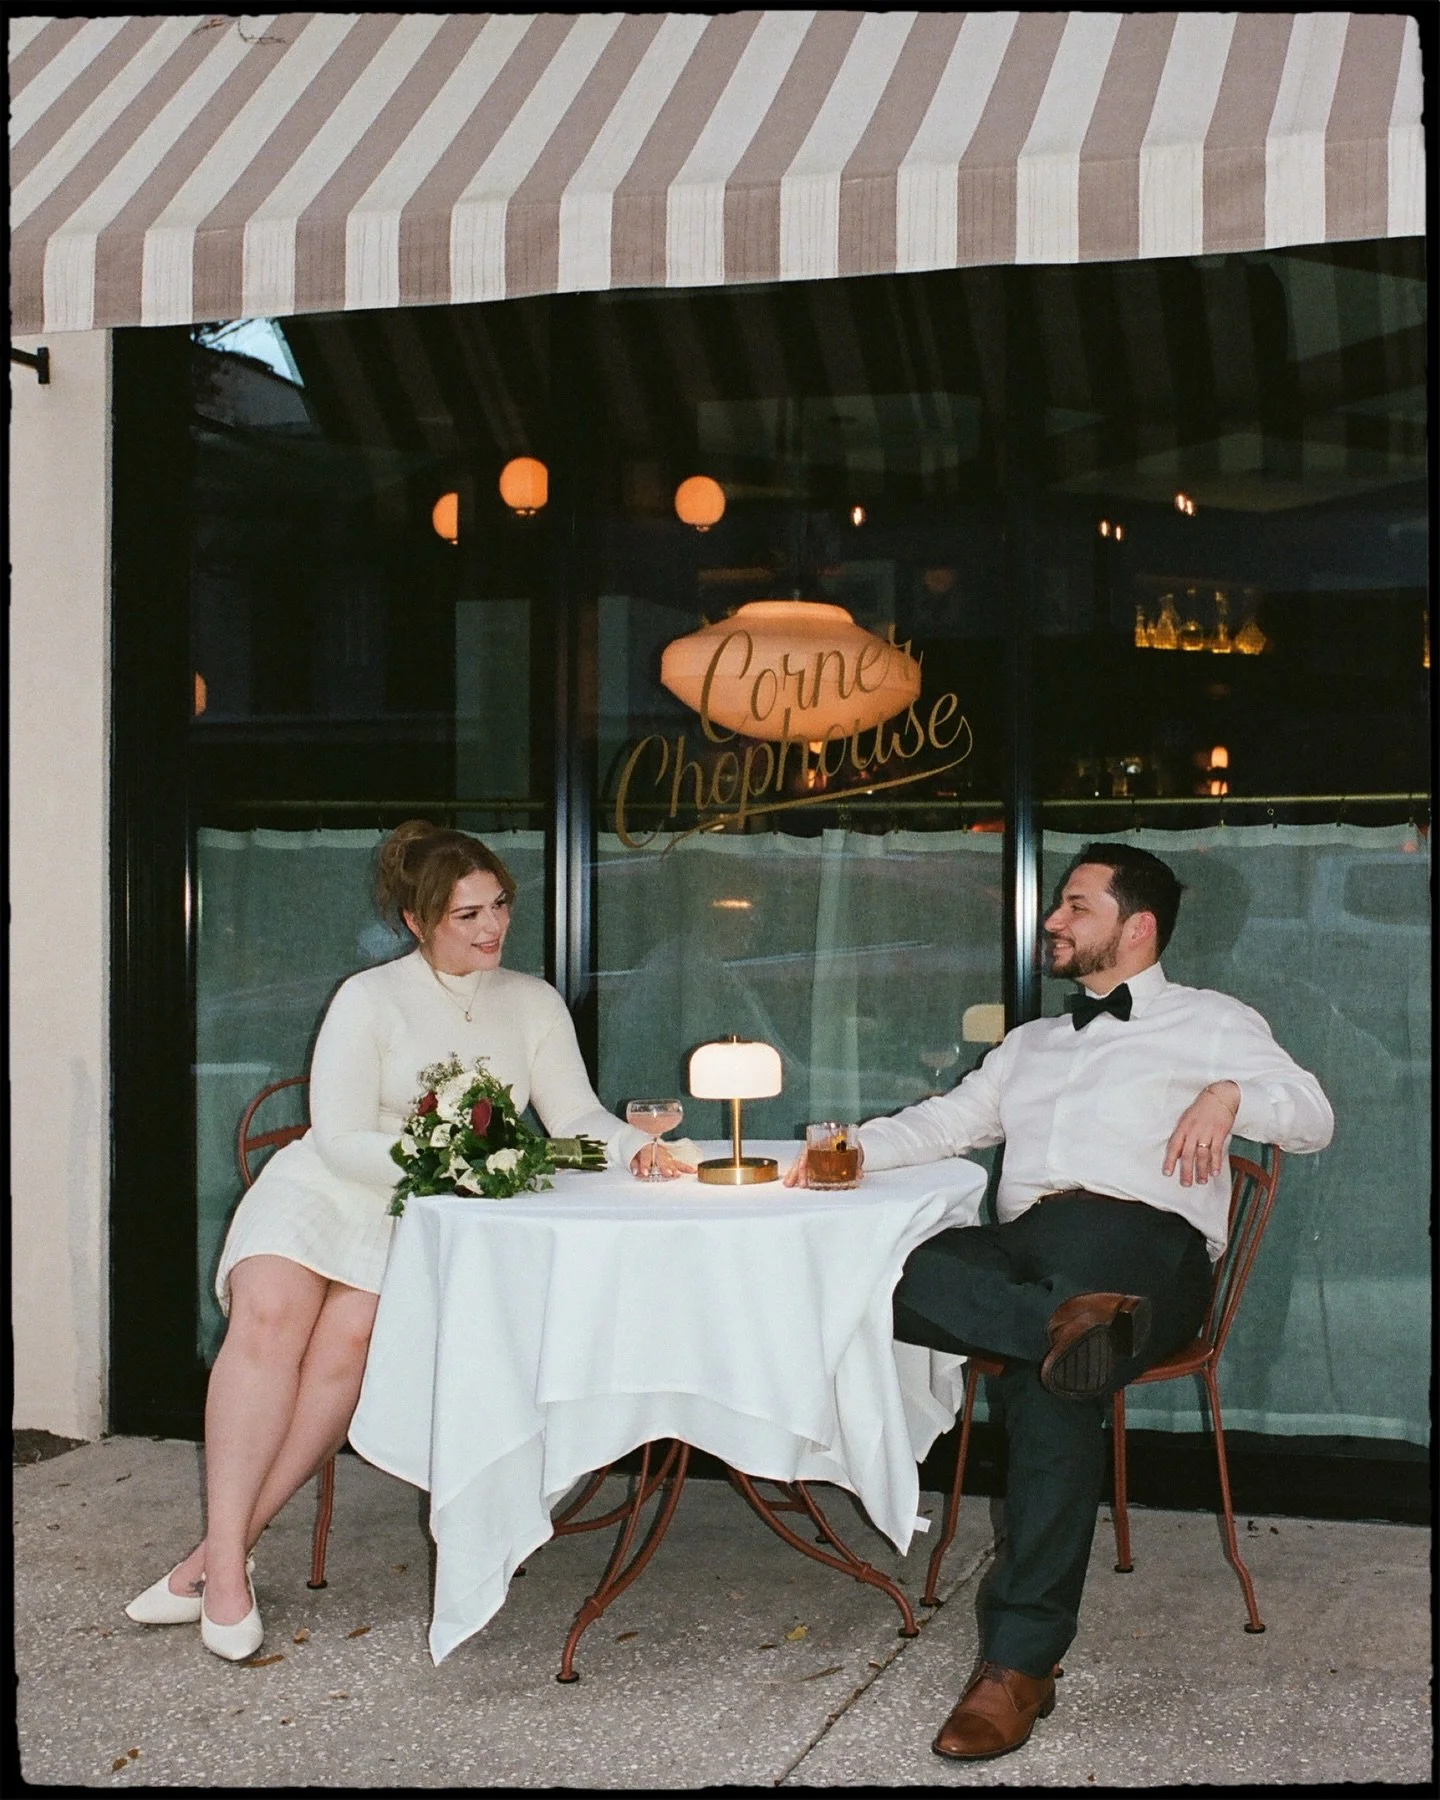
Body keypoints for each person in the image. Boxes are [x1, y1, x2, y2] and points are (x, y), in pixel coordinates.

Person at [785, 842, 1332, 1761]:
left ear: (1138, 926)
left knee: (1052, 1394)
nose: (1053, 922)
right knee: (890, 1272)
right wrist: (846, 1152)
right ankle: (1066, 1337)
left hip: (1140, 1249)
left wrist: (1232, 1094)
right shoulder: (1031, 1043)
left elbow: (1313, 1116)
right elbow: (946, 1123)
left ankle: (1019, 1665)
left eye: (1075, 906)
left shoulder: (1210, 1021)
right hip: (1032, 1253)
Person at [125, 820, 688, 1662]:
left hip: (421, 1215)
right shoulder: (370, 996)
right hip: (329, 1188)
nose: (491, 927)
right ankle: (227, 1561)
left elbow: (573, 1117)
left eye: (498, 905)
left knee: (348, 1341)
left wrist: (635, 1148)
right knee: (270, 1316)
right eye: (466, 915)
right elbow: (341, 1134)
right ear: (417, 922)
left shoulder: (532, 1002)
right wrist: (450, 1154)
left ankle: (219, 1558)